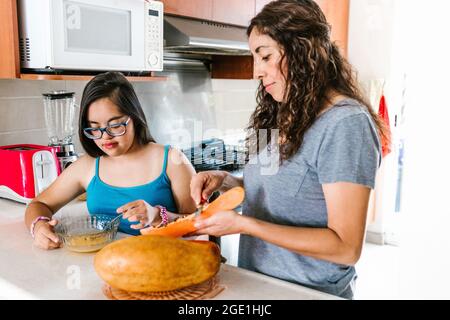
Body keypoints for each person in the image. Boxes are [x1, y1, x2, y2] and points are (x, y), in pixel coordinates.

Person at [190, 0, 388, 299]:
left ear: (302, 51)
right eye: (254, 58)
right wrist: (227, 181)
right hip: (257, 284)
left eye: (265, 56)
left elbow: (346, 248)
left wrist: (245, 224)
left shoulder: (346, 124)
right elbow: (277, 188)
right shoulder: (277, 113)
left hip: (308, 292)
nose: (257, 71)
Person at [25, 71, 196, 250]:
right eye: (94, 128)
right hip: (109, 267)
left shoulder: (172, 160)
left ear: (135, 118)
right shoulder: (88, 165)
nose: (105, 137)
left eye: (115, 125)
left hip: (168, 267)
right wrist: (39, 226)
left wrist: (158, 215)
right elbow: (39, 204)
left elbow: (199, 224)